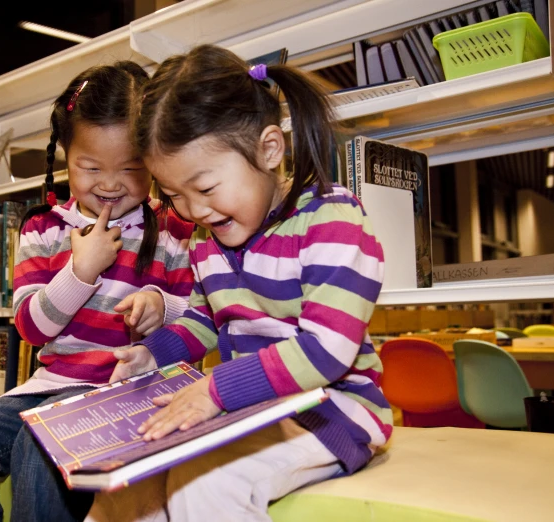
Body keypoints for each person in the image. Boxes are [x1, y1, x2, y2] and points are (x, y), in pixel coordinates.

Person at [87, 44, 392, 522]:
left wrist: (214, 391)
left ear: (269, 149)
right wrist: (153, 353)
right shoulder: (208, 241)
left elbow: (328, 349)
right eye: (174, 195)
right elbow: (204, 319)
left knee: (205, 482)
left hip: (335, 413)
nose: (194, 211)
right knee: (122, 489)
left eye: (206, 188)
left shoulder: (332, 219)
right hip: (246, 411)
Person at [0, 61, 194, 522]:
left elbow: (199, 315)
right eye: (90, 167)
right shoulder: (43, 229)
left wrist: (161, 306)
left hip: (129, 391)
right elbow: (30, 327)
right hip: (51, 387)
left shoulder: (172, 229)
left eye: (130, 168)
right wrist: (79, 271)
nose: (109, 184)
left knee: (40, 445)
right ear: (65, 157)